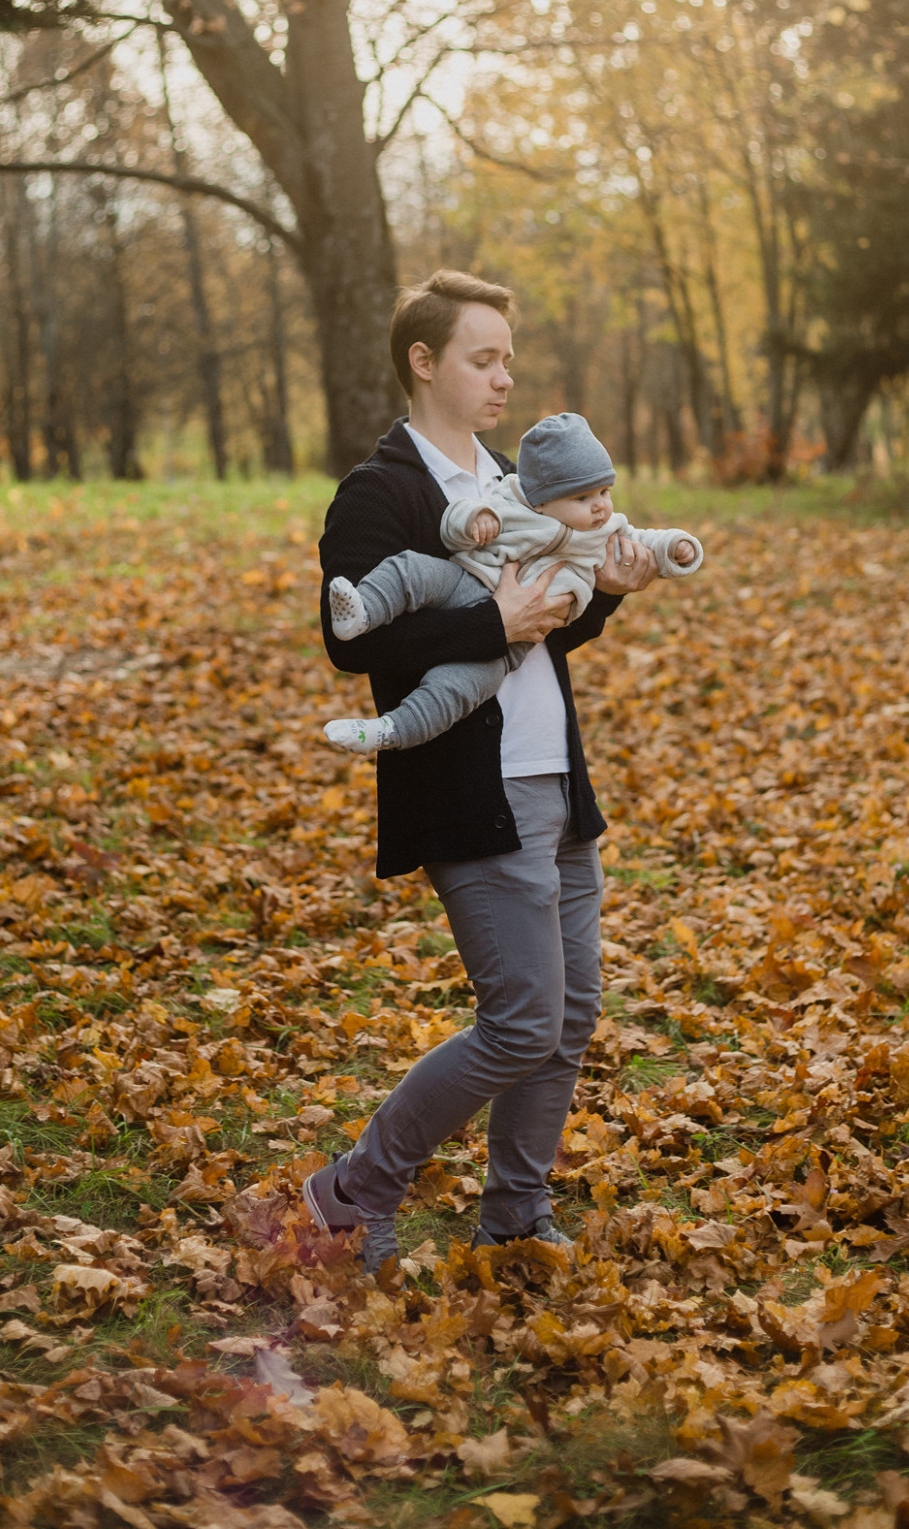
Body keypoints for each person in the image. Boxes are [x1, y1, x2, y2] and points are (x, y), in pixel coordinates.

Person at [306, 269, 658, 1274]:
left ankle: (513, 1213)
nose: (504, 376)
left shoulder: (515, 479)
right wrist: (487, 619)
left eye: (507, 356)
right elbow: (355, 646)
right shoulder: (382, 493)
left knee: (569, 1016)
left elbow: (540, 627)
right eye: (482, 357)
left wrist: (607, 596)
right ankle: (351, 1191)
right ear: (423, 362)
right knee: (517, 1024)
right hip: (471, 791)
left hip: (556, 780)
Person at [321, 410, 703, 752]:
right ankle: (363, 608)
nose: (601, 506)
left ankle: (390, 731)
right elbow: (455, 524)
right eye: (584, 497)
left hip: (521, 675)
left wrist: (674, 550)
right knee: (410, 570)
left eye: (604, 491)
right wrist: (473, 524)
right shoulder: (509, 498)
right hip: (465, 579)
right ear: (540, 501)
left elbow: (645, 540)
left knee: (456, 688)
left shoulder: (600, 528)